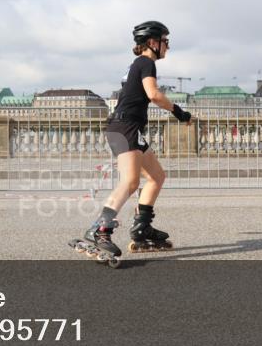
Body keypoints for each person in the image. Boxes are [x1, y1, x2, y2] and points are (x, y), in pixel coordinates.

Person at [79, 20, 191, 259]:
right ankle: (100, 229)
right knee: (130, 182)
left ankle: (142, 227)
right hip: (125, 127)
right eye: (165, 41)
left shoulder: (137, 64)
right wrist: (179, 112)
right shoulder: (146, 63)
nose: (168, 47)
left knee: (156, 177)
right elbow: (154, 95)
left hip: (128, 128)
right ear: (152, 42)